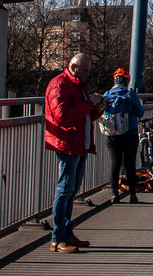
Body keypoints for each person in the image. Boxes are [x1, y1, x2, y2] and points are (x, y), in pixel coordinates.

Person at [44, 53, 102, 253]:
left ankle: (67, 233)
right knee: (64, 189)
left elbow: (82, 114)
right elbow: (62, 114)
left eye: (88, 71)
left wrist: (97, 109)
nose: (87, 74)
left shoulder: (77, 86)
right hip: (67, 143)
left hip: (79, 143)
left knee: (71, 189)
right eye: (84, 70)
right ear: (74, 66)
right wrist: (89, 103)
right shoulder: (58, 85)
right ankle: (57, 237)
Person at [101, 68, 145, 203]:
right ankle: (132, 194)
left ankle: (115, 193)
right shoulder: (130, 94)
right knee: (130, 163)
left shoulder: (107, 94)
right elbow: (140, 113)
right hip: (129, 132)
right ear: (127, 82)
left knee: (115, 163)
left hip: (112, 134)